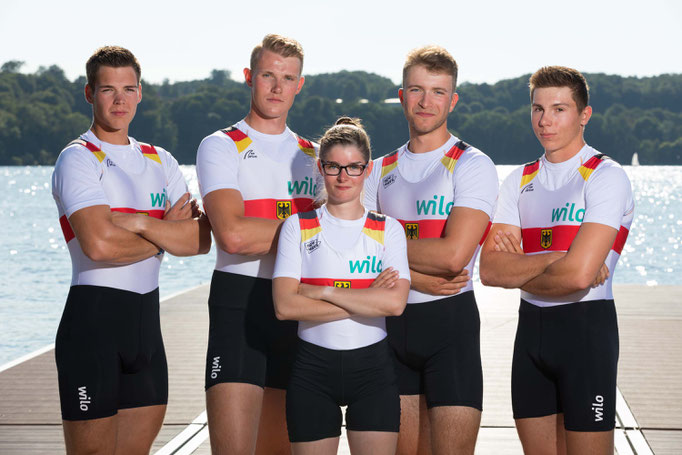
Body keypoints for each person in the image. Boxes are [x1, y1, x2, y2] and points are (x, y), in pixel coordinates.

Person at [51, 45, 211, 454]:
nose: (119, 100)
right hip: (92, 330)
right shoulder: (78, 159)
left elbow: (198, 241)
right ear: (90, 94)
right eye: (108, 89)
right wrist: (165, 232)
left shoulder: (161, 160)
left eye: (128, 88)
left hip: (146, 332)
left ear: (140, 92)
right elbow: (99, 245)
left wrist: (140, 223)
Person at [479, 66, 634, 455]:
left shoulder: (605, 177)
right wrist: (560, 258)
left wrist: (528, 268)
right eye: (537, 109)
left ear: (584, 115)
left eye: (559, 109)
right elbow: (491, 270)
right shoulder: (517, 180)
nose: (545, 120)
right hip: (531, 338)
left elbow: (579, 278)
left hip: (586, 337)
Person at [363, 46, 498, 454]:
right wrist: (418, 275)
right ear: (402, 95)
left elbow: (454, 256)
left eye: (438, 92)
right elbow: (353, 253)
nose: (426, 102)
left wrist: (385, 244)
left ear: (452, 100)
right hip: (388, 328)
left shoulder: (471, 164)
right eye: (417, 90)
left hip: (450, 328)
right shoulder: (377, 169)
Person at [196, 34, 317, 454]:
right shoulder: (220, 146)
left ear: (299, 85)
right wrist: (308, 230)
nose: (277, 87)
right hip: (238, 308)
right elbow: (232, 235)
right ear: (250, 78)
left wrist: (262, 230)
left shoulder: (315, 156)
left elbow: (343, 236)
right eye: (268, 75)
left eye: (288, 78)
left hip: (296, 309)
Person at [272, 117, 411, 454]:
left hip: (373, 372)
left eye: (353, 167)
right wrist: (366, 297)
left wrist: (322, 291)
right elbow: (285, 307)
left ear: (366, 170)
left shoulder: (388, 229)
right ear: (321, 168)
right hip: (312, 371)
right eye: (334, 166)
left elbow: (394, 305)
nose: (343, 176)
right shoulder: (297, 227)